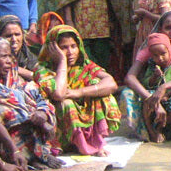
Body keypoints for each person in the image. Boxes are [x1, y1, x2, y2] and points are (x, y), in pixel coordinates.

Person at [0, 37, 62, 170]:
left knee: (42, 105)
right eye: (3, 56)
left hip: (28, 127)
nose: (9, 61)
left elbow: (39, 97)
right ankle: (27, 157)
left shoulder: (14, 79)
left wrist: (42, 113)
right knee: (9, 116)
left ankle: (38, 153)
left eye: (10, 56)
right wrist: (28, 116)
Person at [35, 26, 121, 157]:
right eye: (64, 47)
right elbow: (59, 94)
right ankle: (78, 146)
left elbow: (111, 83)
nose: (70, 52)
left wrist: (80, 92)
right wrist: (62, 62)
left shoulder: (84, 65)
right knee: (67, 103)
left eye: (73, 46)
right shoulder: (42, 69)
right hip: (58, 124)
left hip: (81, 111)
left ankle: (94, 142)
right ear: (53, 49)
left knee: (100, 90)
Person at [121, 11, 171, 142]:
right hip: (149, 94)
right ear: (160, 29)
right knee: (127, 93)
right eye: (168, 28)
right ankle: (145, 130)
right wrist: (151, 98)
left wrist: (164, 87)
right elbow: (130, 77)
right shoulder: (149, 50)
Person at [0, 16, 39, 82]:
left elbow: (45, 80)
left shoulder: (29, 58)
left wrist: (20, 70)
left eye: (17, 34)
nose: (14, 39)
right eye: (8, 36)